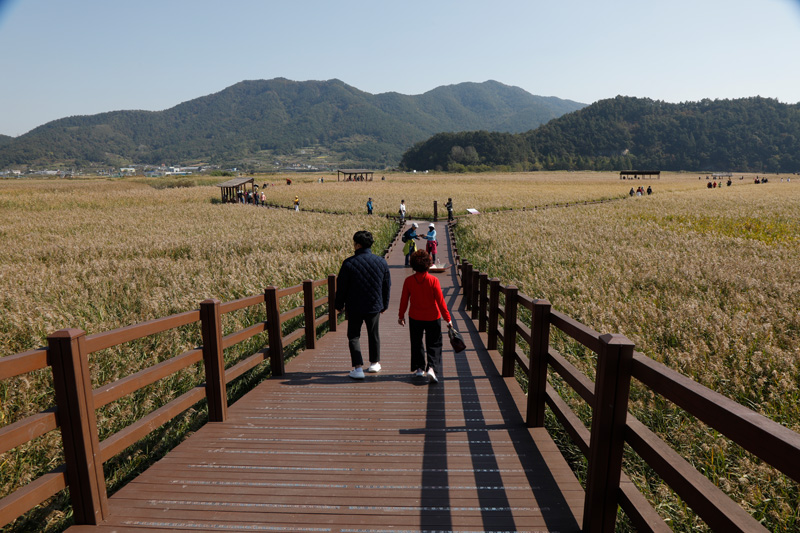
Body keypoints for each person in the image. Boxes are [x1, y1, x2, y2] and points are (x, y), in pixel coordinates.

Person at [334, 231, 391, 380]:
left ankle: (358, 368)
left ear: (358, 245)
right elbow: (386, 286)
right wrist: (384, 304)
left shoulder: (348, 263)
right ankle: (374, 363)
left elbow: (342, 287)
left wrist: (338, 304)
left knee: (353, 336)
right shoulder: (381, 262)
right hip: (374, 305)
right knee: (374, 334)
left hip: (354, 306)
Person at [398, 250, 452, 384]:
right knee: (434, 343)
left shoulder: (409, 281)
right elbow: (441, 302)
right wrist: (448, 319)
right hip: (433, 317)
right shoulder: (433, 280)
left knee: (416, 342)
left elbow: (404, 300)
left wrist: (401, 316)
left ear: (413, 264)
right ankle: (432, 368)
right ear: (428, 264)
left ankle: (419, 369)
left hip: (415, 316)